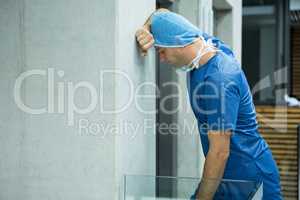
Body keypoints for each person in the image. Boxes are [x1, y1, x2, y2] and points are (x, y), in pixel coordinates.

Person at [135, 9, 282, 200]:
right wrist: (146, 28)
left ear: (179, 43)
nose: (161, 59)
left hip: (250, 178)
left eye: (162, 51)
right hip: (224, 175)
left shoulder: (219, 79)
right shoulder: (202, 44)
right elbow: (162, 14)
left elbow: (220, 152)